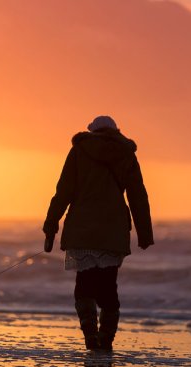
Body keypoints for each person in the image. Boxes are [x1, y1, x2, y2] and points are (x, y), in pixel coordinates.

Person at [43, 115, 153, 351]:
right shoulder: (126, 155)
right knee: (108, 286)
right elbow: (137, 196)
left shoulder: (79, 152)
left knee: (84, 285)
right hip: (112, 231)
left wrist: (51, 224)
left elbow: (63, 192)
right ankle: (107, 338)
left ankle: (90, 336)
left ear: (92, 131)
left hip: (82, 229)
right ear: (116, 132)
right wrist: (145, 233)